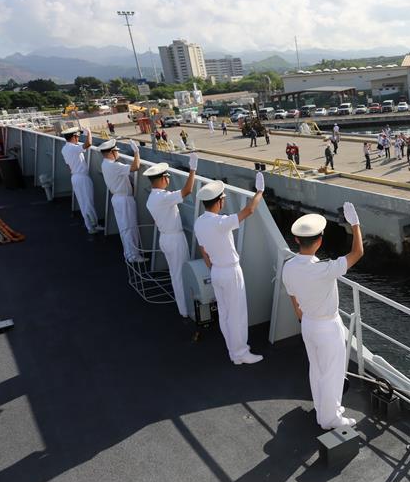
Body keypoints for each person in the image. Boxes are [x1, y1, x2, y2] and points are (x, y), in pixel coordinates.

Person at [282, 203, 364, 430]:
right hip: (327, 326)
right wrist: (355, 225)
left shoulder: (288, 267)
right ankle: (330, 419)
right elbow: (357, 253)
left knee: (316, 369)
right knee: (333, 373)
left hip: (307, 323)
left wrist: (302, 318)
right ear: (319, 241)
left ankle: (322, 408)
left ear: (297, 240)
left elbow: (293, 298)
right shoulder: (324, 269)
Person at [194, 177, 265, 365]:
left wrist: (214, 268)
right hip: (230, 272)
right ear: (219, 202)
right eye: (223, 199)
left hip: (216, 271)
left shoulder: (199, 223)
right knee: (237, 313)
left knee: (225, 313)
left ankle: (232, 351)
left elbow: (204, 251)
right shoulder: (221, 222)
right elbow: (249, 210)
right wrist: (259, 192)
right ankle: (241, 353)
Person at [144, 155, 197, 318]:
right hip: (174, 239)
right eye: (167, 176)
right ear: (162, 179)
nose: (168, 179)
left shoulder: (151, 198)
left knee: (175, 274)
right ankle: (185, 311)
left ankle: (184, 307)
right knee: (180, 275)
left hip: (165, 238)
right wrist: (192, 169)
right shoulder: (163, 197)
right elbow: (187, 191)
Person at [99, 139, 145, 262]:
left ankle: (129, 253)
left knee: (124, 228)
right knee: (130, 227)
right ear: (111, 152)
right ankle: (133, 256)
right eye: (116, 151)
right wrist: (136, 152)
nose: (118, 153)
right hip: (124, 199)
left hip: (117, 198)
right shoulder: (114, 165)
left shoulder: (105, 164)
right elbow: (135, 167)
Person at [60, 127, 102, 234]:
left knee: (83, 203)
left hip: (74, 177)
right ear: (73, 137)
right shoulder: (73, 148)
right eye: (77, 136)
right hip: (82, 177)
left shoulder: (64, 149)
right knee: (88, 201)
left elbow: (69, 166)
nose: (78, 138)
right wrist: (89, 132)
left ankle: (90, 227)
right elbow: (88, 144)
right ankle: (94, 224)